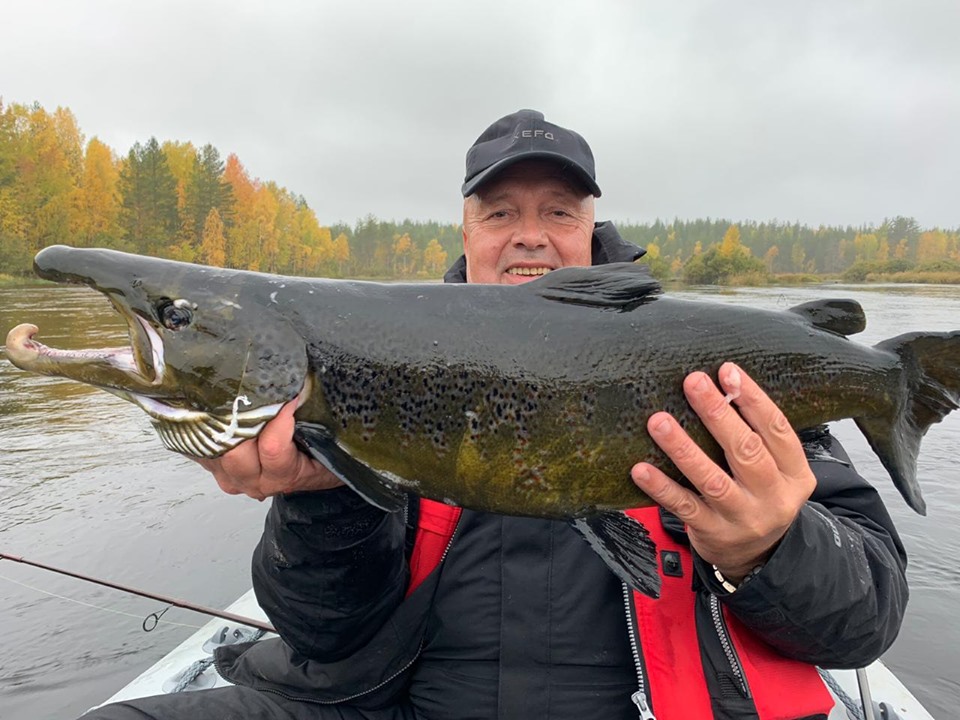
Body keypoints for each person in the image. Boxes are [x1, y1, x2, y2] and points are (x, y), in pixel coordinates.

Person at [87, 110, 908, 720]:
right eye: (501, 212)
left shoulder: (713, 376)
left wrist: (769, 547)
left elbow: (865, 621)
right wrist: (318, 501)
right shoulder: (378, 362)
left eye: (559, 211)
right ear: (468, 231)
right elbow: (326, 637)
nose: (531, 237)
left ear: (592, 228)